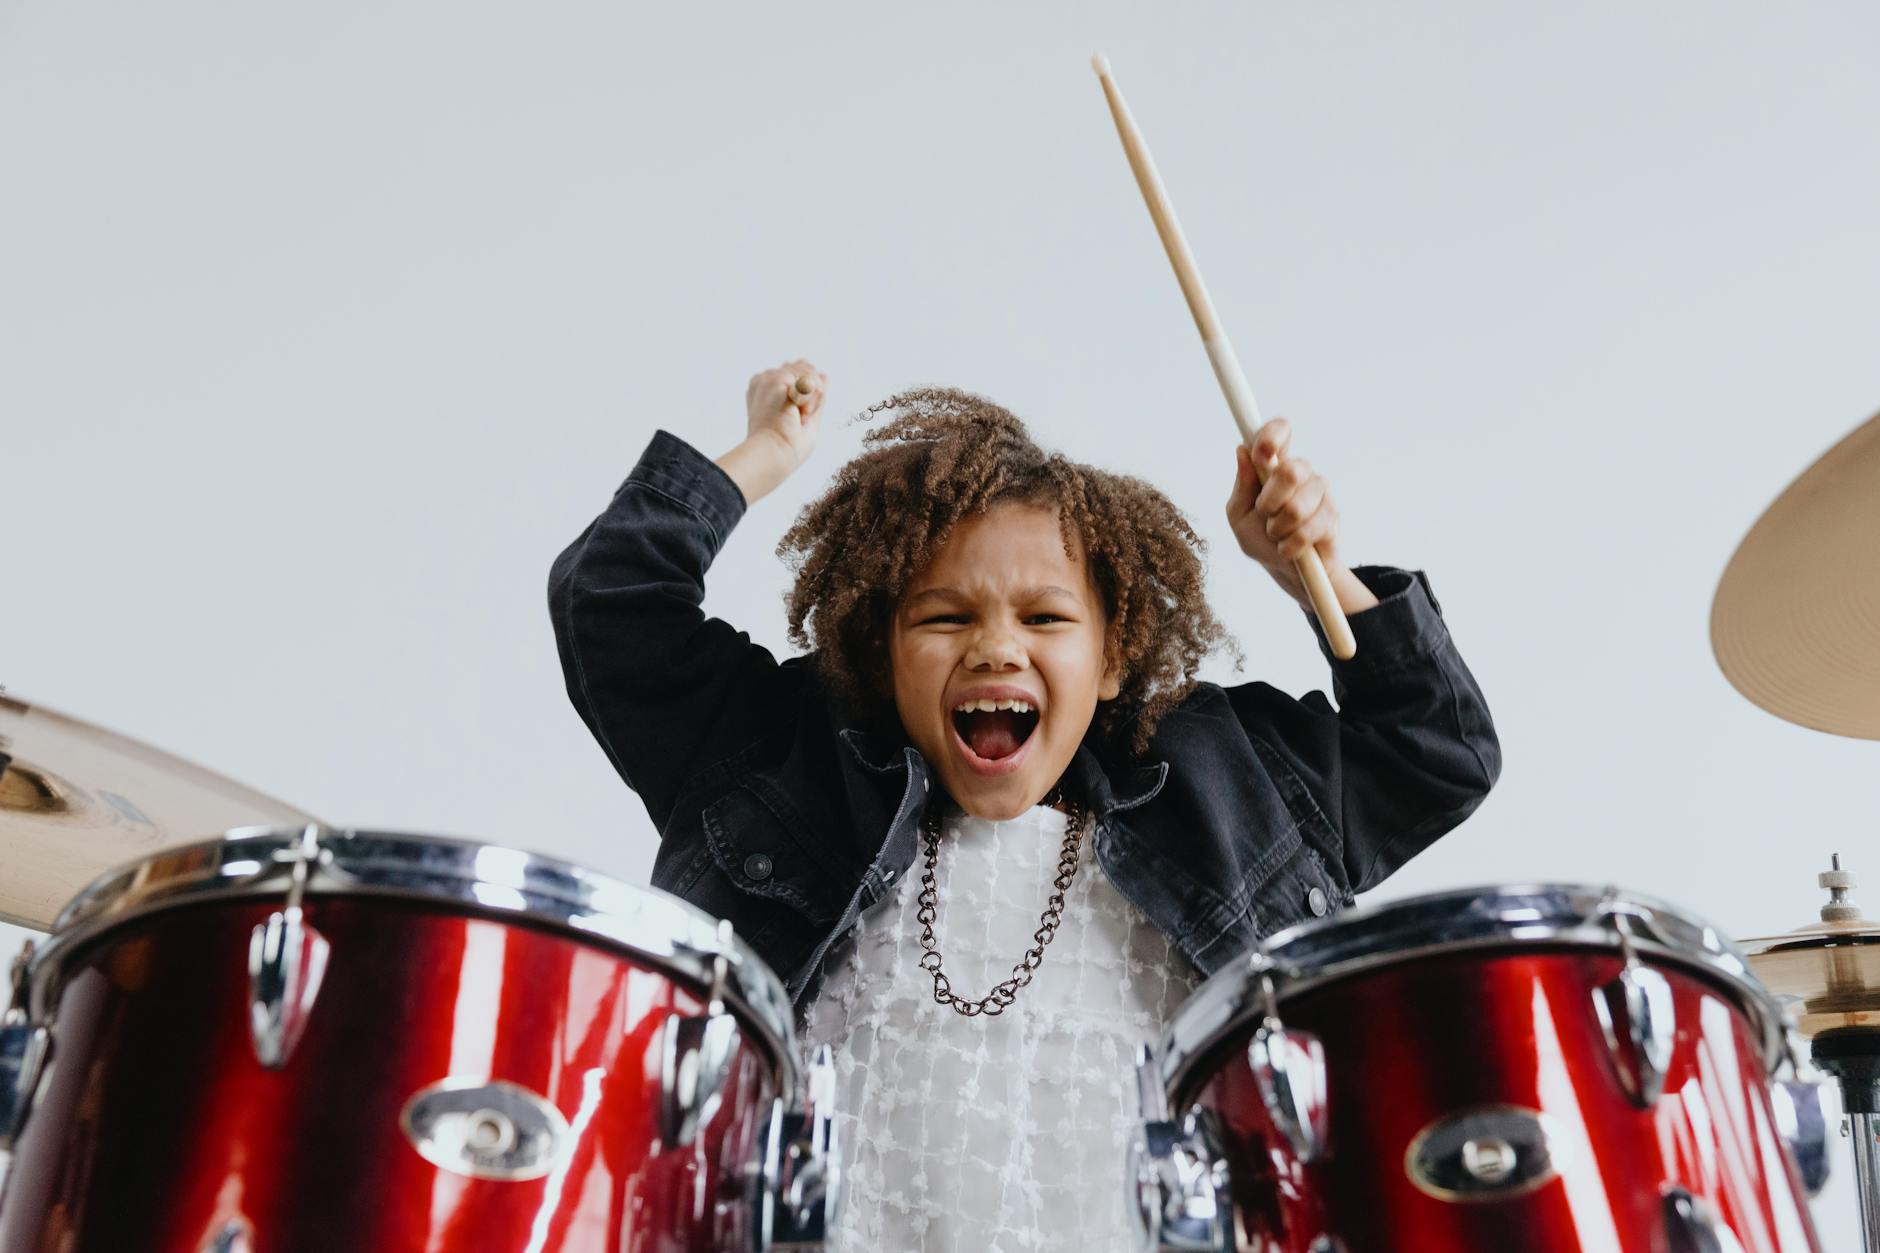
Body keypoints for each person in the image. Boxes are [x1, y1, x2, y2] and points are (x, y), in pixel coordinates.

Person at [547, 358, 1500, 1251]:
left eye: (1045, 617)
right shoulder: (784, 762)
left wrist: (1315, 574)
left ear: (1115, 654)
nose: (997, 648)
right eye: (945, 616)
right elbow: (613, 602)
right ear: (881, 650)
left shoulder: (1230, 781)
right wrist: (760, 456)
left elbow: (1437, 752)